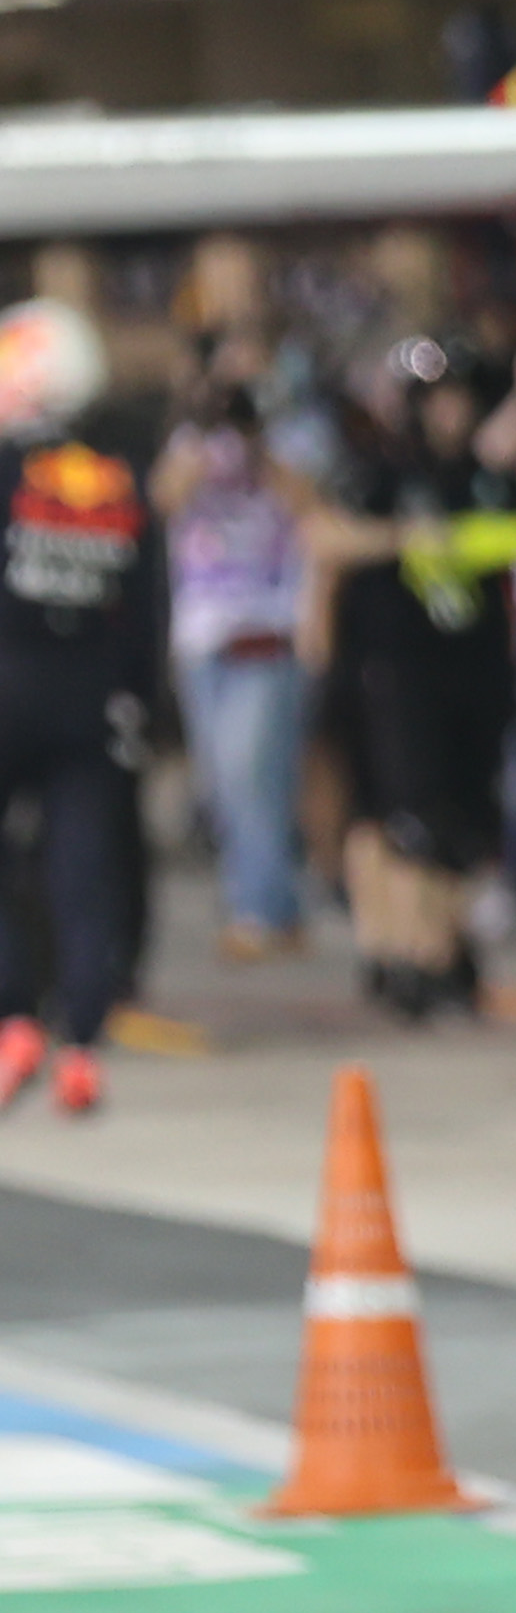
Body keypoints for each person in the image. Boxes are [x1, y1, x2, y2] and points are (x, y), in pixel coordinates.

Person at [317, 338, 516, 1022]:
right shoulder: (379, 469)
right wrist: (403, 538)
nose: (452, 412)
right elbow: (324, 538)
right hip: (391, 666)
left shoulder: (486, 474)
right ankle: (405, 950)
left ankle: (441, 946)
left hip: (471, 665)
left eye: (461, 398)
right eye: (439, 398)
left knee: (461, 816)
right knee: (400, 816)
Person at [0, 308, 158, 1116]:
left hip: (13, 688)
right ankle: (84, 1042)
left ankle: (15, 1016)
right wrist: (144, 702)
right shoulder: (122, 470)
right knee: (84, 871)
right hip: (95, 700)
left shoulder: (8, 471)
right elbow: (148, 597)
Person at [152, 339, 317, 964]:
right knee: (223, 780)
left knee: (255, 774)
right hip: (201, 634)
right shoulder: (190, 443)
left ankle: (260, 909)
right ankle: (272, 905)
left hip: (266, 629)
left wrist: (258, 440)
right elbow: (166, 496)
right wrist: (204, 428)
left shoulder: (292, 439)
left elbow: (306, 502)